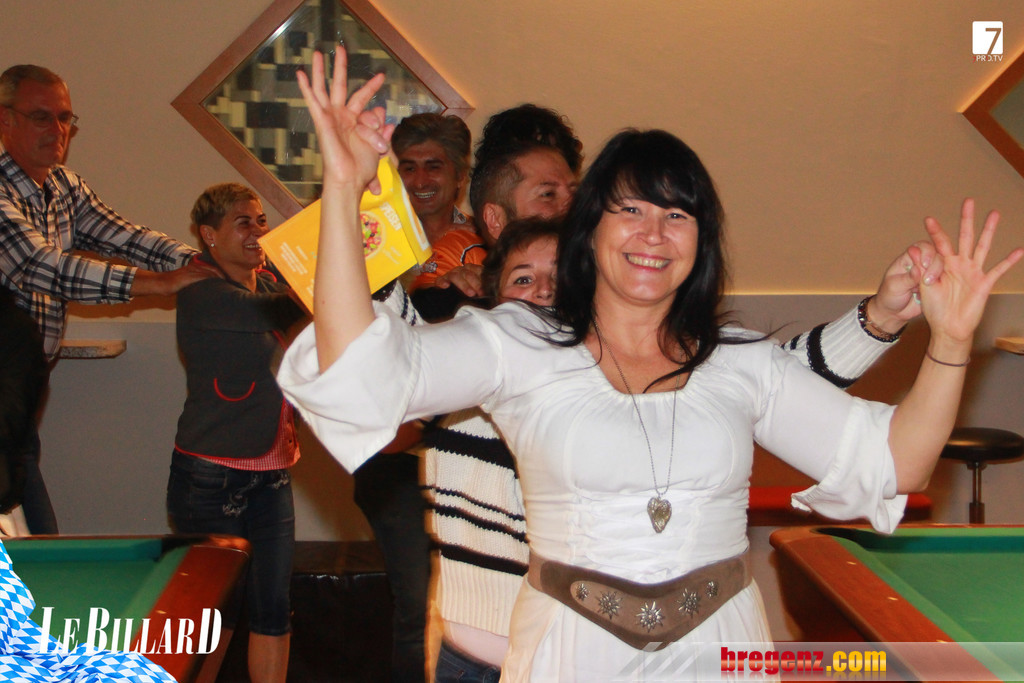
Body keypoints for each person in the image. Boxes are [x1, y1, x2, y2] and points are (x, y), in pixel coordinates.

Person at [279, 50, 1022, 681]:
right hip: (572, 650)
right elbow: (362, 371)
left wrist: (951, 341)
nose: (654, 233)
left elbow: (894, 462)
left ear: (702, 240)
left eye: (677, 214)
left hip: (719, 648)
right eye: (629, 209)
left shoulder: (740, 361)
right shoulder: (518, 342)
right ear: (589, 227)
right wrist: (343, 191)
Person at [0, 65, 217, 533]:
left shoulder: (64, 187)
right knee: (32, 535)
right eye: (41, 117)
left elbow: (127, 238)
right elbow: (42, 267)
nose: (58, 130)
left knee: (33, 532)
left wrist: (208, 265)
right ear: (5, 120)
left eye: (65, 118)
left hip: (21, 392)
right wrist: (158, 284)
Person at [168, 183, 306, 683]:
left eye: (260, 221)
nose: (257, 231)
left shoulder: (267, 280)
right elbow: (273, 315)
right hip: (210, 476)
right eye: (242, 222)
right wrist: (321, 282)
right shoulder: (201, 291)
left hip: (273, 470)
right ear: (209, 235)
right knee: (211, 615)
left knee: (273, 607)